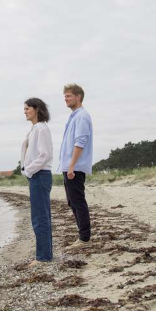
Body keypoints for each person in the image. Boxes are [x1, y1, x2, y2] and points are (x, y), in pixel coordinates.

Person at [57, 83, 93, 249]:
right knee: (72, 202)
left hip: (75, 167)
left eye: (69, 96)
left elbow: (81, 141)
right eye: (65, 96)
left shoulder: (82, 116)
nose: (66, 99)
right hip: (69, 166)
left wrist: (71, 166)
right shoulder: (74, 116)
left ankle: (84, 238)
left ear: (78, 97)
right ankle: (82, 236)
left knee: (78, 201)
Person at [21, 97, 53, 266]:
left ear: (37, 109)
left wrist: (29, 170)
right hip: (36, 175)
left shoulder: (41, 129)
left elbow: (45, 155)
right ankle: (45, 255)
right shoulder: (34, 129)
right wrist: (26, 170)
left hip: (40, 175)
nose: (25, 111)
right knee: (40, 217)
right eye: (24, 109)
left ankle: (43, 257)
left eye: (27, 108)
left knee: (40, 218)